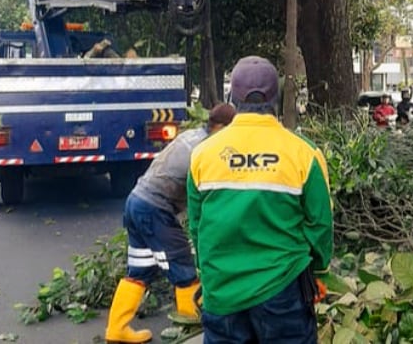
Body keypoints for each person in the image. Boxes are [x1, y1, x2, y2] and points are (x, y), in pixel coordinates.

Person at [188, 55, 333, 343]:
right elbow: (320, 225)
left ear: (232, 98)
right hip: (283, 289)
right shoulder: (304, 153)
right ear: (277, 98)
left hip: (222, 290)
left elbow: (196, 225)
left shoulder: (203, 154)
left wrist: (209, 274)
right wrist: (319, 271)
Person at [105, 103, 236, 344]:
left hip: (136, 201)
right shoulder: (207, 150)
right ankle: (191, 332)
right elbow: (207, 197)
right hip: (156, 209)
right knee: (184, 270)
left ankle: (117, 329)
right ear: (224, 128)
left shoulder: (192, 135)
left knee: (140, 270)